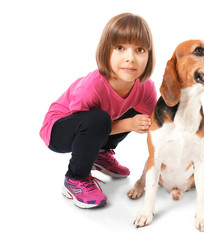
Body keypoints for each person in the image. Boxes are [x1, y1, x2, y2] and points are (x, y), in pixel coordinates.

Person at [39, 13, 157, 208]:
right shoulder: (92, 87)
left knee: (135, 114)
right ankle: (75, 179)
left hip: (96, 126)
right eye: (120, 48)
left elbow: (157, 120)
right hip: (58, 130)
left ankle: (100, 154)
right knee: (99, 119)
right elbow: (85, 126)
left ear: (149, 56)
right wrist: (128, 124)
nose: (130, 58)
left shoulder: (145, 87)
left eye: (140, 50)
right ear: (105, 51)